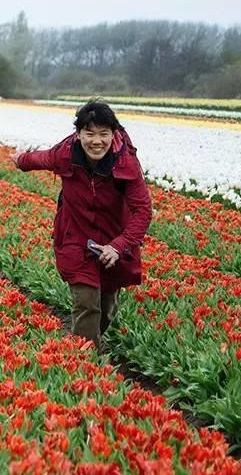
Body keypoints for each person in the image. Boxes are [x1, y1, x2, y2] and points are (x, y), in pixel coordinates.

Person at [12, 100, 152, 350]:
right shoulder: (65, 154)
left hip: (112, 239)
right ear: (78, 135)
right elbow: (41, 158)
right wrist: (20, 160)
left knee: (107, 307)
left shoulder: (126, 164)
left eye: (103, 134)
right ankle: (84, 366)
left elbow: (142, 211)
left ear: (114, 134)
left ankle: (86, 349)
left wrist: (118, 247)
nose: (96, 141)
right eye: (89, 133)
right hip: (75, 236)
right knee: (87, 303)